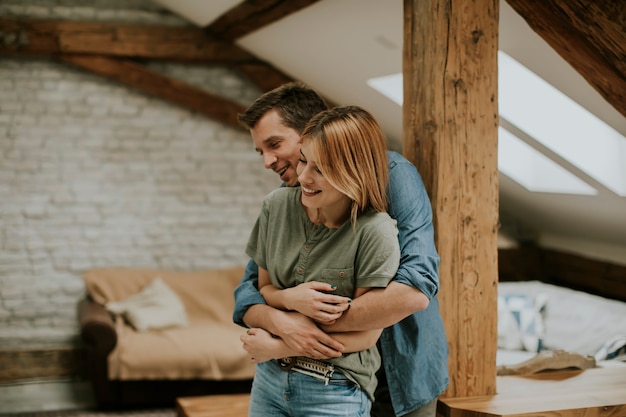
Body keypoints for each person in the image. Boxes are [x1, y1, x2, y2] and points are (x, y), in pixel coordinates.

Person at [234, 82, 449, 417]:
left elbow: (414, 291)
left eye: (274, 144)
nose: (267, 161)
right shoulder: (287, 199)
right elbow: (250, 291)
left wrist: (292, 334)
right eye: (261, 150)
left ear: (310, 131)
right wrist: (284, 318)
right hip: (316, 376)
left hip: (400, 373)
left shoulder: (394, 178)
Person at [243, 105, 401, 416]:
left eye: (320, 168)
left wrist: (279, 346)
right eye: (303, 160)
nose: (303, 176)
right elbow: (264, 287)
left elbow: (368, 334)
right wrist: (291, 298)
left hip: (335, 389)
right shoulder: (276, 206)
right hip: (269, 380)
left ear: (354, 170)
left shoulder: (376, 232)